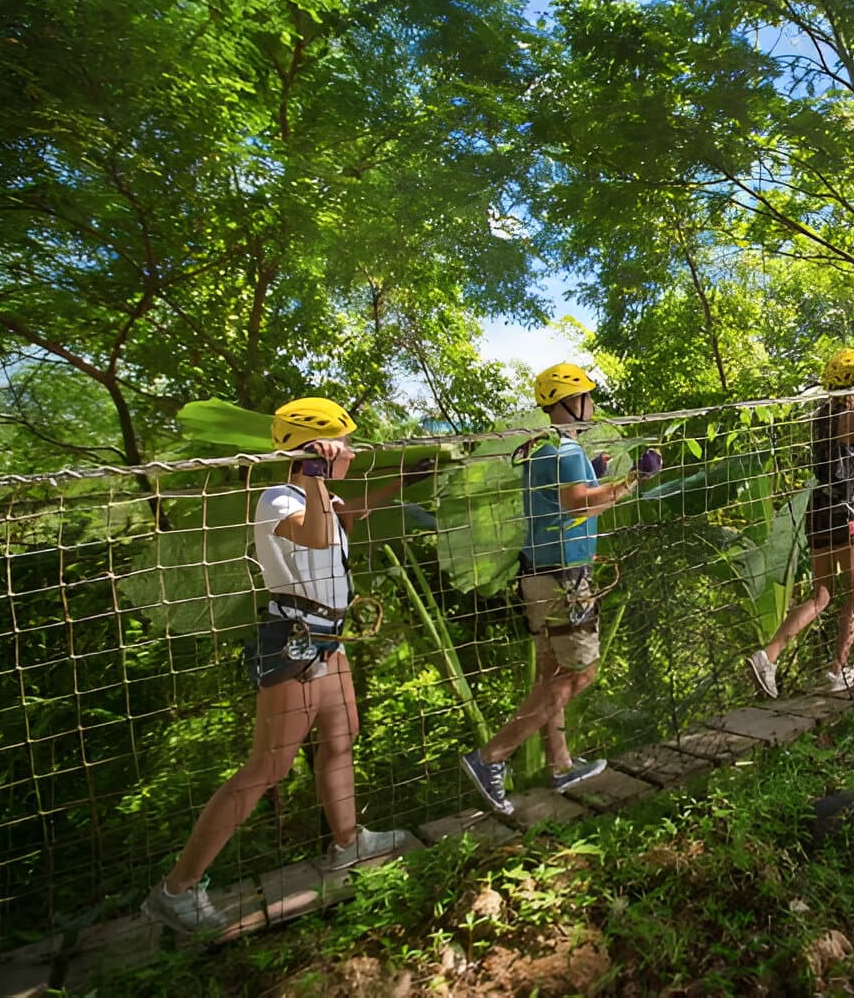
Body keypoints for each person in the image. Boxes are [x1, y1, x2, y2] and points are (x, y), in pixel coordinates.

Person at [143, 397, 421, 936]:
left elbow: (344, 519)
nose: (352, 452)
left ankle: (348, 843)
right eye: (343, 445)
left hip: (328, 638)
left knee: (343, 737)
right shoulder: (278, 498)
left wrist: (408, 476)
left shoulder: (317, 495)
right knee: (266, 769)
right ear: (315, 448)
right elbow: (315, 534)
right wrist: (316, 477)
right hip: (294, 641)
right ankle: (176, 889)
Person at [459, 363, 660, 815]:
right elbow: (580, 503)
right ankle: (491, 757)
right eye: (587, 395)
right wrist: (635, 479)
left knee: (551, 672)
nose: (592, 403)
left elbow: (566, 504)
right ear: (571, 401)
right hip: (566, 579)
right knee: (580, 673)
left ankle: (561, 764)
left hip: (537, 574)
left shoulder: (539, 449)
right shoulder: (565, 451)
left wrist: (594, 475)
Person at [748, 350, 854, 697]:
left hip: (819, 513)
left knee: (821, 595)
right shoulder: (853, 417)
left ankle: (768, 655)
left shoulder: (821, 415)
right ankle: (837, 669)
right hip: (848, 517)